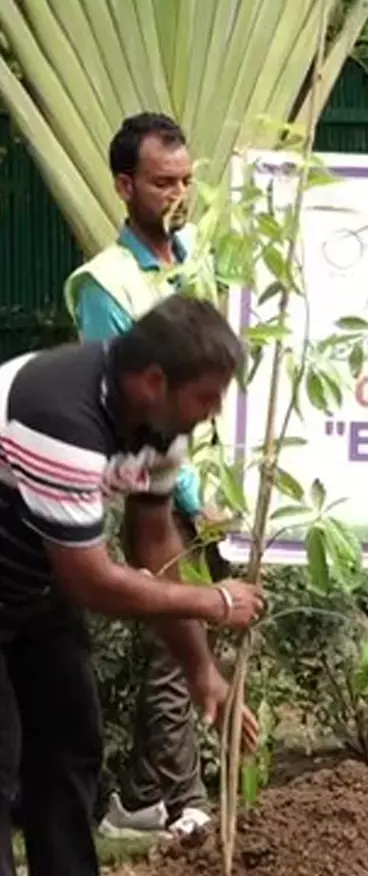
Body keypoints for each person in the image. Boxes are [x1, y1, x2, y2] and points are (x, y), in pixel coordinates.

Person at [0, 294, 263, 876]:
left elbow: (154, 544)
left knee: (69, 744)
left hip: (34, 584)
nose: (214, 411)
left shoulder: (161, 425)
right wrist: (215, 601)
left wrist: (201, 671)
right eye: (208, 396)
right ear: (153, 381)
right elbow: (91, 580)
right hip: (51, 573)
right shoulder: (59, 414)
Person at [62, 113, 222, 840]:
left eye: (186, 180)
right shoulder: (108, 283)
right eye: (162, 183)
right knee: (172, 636)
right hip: (155, 487)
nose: (178, 195)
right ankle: (188, 804)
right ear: (125, 186)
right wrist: (191, 495)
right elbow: (130, 408)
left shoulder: (199, 260)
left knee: (197, 630)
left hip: (212, 480)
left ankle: (136, 798)